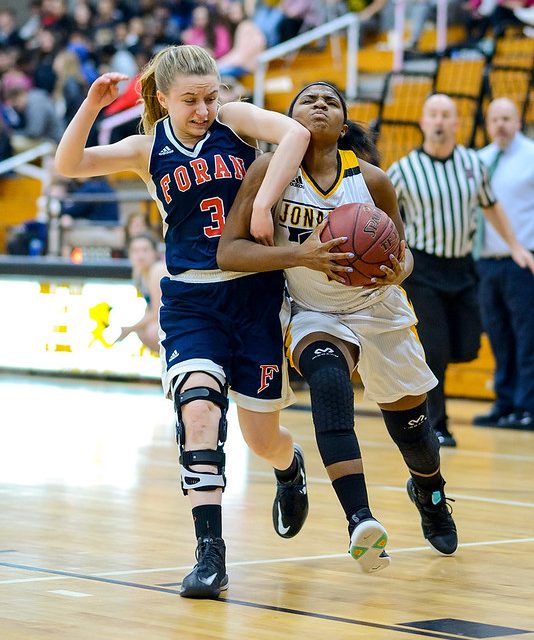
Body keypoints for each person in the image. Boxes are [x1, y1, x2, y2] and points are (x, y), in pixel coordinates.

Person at [54, 44, 311, 600]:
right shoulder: (149, 149)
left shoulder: (236, 122)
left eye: (209, 96)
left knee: (260, 437)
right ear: (164, 99)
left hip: (254, 296)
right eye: (190, 100)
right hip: (191, 300)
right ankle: (210, 555)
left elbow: (296, 134)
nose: (202, 109)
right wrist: (93, 106)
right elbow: (68, 165)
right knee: (198, 413)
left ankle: (289, 467)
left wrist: (264, 203)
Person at [218, 81, 459, 569]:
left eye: (331, 101)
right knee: (328, 382)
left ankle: (429, 492)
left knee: (414, 433)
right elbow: (230, 251)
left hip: (376, 308)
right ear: (288, 121)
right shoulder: (269, 173)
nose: (320, 105)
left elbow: (403, 254)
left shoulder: (373, 182)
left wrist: (399, 268)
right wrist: (299, 254)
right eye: (308, 99)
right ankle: (360, 521)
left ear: (343, 126)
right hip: (314, 312)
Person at [386, 93, 534, 447]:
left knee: (467, 346)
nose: (439, 121)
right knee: (435, 349)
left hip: (464, 267)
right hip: (423, 269)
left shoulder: (472, 163)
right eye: (433, 114)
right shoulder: (404, 170)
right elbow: (382, 214)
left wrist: (515, 246)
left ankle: (425, 382)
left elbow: (491, 206)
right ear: (423, 122)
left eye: (446, 115)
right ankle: (437, 424)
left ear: (457, 123)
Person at [473, 98, 534, 430]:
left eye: (507, 118)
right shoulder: (480, 160)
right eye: (495, 118)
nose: (500, 124)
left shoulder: (531, 157)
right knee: (498, 337)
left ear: (519, 121)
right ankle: (505, 402)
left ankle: (528, 406)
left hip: (523, 263)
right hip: (485, 263)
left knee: (527, 338)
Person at [115, 233, 168, 353]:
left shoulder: (158, 270)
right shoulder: (140, 273)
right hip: (168, 318)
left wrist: (129, 329)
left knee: (152, 331)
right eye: (135, 251)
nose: (140, 255)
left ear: (155, 252)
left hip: (184, 318)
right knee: (143, 330)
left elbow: (157, 312)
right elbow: (149, 309)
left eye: (145, 250)